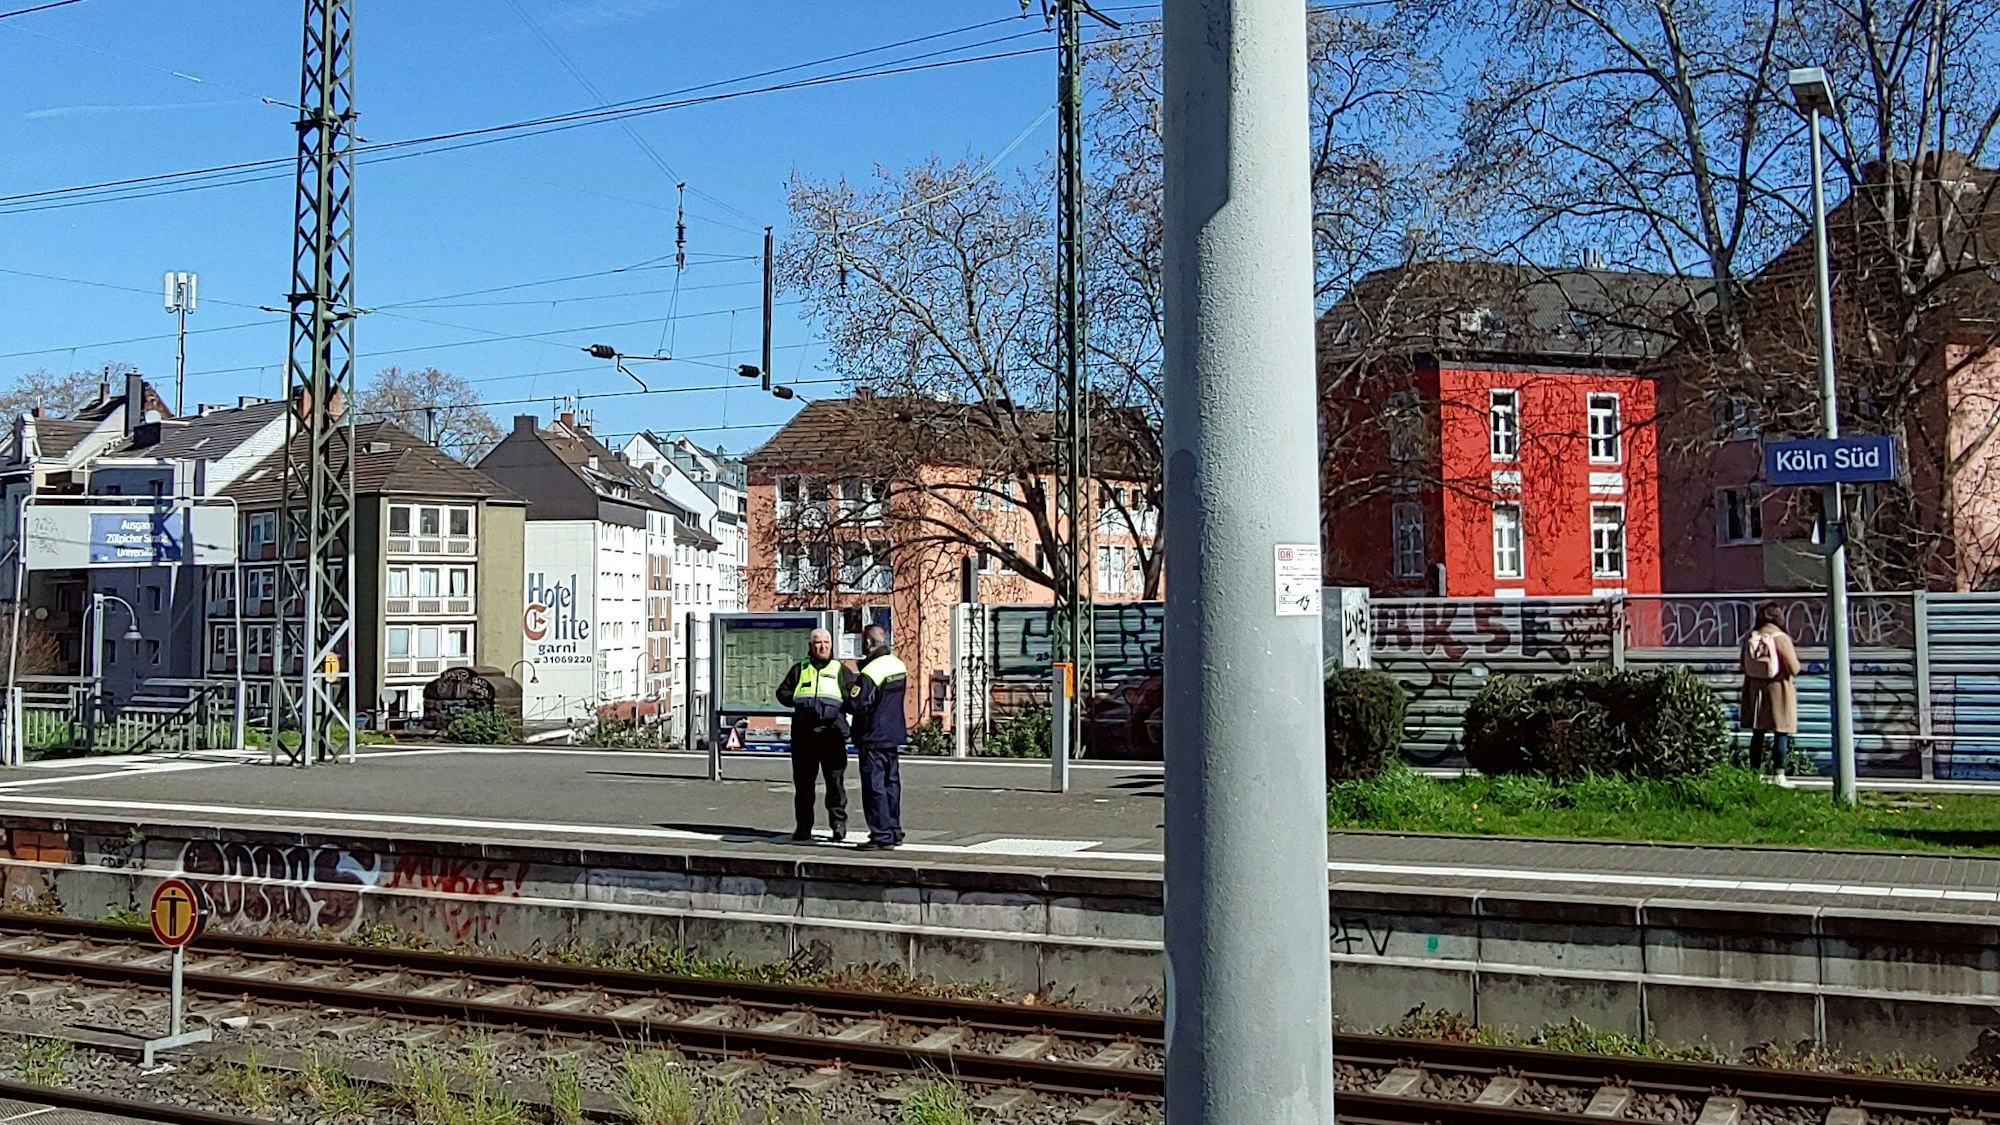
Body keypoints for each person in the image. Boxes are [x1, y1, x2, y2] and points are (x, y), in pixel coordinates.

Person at [774, 628, 853, 842]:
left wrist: (836, 710)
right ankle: (803, 827)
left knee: (835, 785)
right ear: (811, 646)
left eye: (826, 643)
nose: (822, 647)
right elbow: (782, 692)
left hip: (832, 736)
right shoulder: (800, 669)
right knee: (804, 786)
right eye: (818, 643)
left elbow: (853, 699)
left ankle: (838, 824)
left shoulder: (841, 670)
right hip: (804, 736)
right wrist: (800, 703)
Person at [845, 624, 908, 851]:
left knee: (874, 787)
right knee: (892, 784)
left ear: (869, 643)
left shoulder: (871, 671)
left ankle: (881, 835)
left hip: (872, 735)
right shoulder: (898, 665)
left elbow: (857, 703)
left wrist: (848, 692)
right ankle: (894, 830)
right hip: (893, 733)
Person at [1740, 602, 1802, 775]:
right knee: (1781, 732)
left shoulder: (1750, 637)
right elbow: (1794, 668)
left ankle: (1754, 773)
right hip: (1780, 690)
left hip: (1755, 692)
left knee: (1757, 733)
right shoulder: (1781, 638)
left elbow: (1742, 665)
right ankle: (1779, 774)